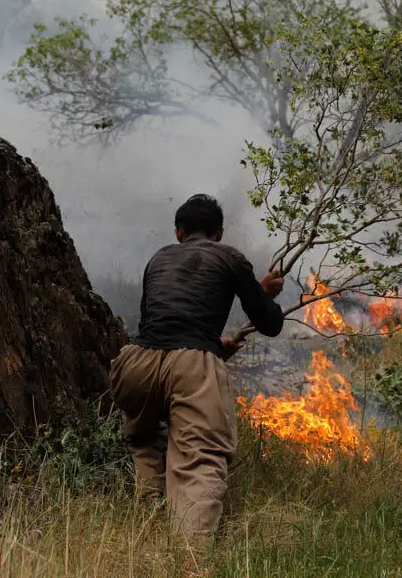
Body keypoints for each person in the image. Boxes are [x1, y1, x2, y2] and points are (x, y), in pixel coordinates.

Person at [108, 193, 285, 546]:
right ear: (219, 233)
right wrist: (265, 294)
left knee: (145, 442)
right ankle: (188, 558)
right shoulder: (228, 256)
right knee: (199, 460)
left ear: (178, 233)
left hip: (136, 364)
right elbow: (269, 324)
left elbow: (162, 326)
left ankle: (148, 532)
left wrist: (216, 346)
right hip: (189, 366)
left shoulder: (158, 258)